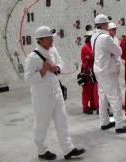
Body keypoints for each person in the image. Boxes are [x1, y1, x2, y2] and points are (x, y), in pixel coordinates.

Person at [25, 26, 85, 160]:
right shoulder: (32, 57)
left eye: (52, 37)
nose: (52, 40)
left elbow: (60, 62)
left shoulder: (53, 50)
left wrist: (57, 67)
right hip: (42, 97)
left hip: (56, 93)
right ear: (40, 40)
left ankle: (68, 149)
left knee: (62, 121)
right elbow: (28, 79)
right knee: (42, 125)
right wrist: (44, 70)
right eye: (49, 38)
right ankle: (41, 150)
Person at [91, 14, 126, 133]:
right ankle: (120, 125)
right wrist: (113, 52)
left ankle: (104, 122)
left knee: (103, 97)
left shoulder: (94, 36)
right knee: (115, 97)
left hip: (99, 70)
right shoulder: (106, 38)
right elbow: (119, 51)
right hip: (107, 71)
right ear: (104, 25)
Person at [80, 31, 99, 114]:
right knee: (87, 90)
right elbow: (93, 56)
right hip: (87, 71)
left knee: (92, 89)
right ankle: (85, 107)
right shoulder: (86, 47)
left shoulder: (90, 46)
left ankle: (93, 105)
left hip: (92, 70)